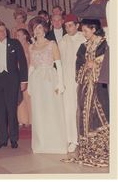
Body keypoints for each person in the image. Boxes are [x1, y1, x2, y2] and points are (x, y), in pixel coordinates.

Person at [65, 19, 109, 167]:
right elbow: (78, 65)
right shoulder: (83, 47)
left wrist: (96, 63)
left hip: (101, 87)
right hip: (85, 87)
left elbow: (110, 62)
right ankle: (88, 150)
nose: (83, 34)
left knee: (101, 114)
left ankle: (104, 150)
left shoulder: (105, 44)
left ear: (94, 29)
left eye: (85, 30)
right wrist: (87, 66)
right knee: (84, 113)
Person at [28, 16, 67, 154]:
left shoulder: (52, 44)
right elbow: (31, 66)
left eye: (39, 27)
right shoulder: (31, 47)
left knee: (52, 110)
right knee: (39, 112)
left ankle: (56, 143)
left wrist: (61, 84)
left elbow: (59, 64)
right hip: (37, 81)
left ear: (44, 28)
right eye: (34, 28)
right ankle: (41, 144)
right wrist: (29, 86)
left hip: (51, 79)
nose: (37, 30)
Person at [0, 21, 28, 149]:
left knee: (11, 110)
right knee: (0, 111)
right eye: (0, 30)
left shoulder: (14, 43)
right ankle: (2, 140)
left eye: (4, 30)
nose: (3, 32)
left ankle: (14, 139)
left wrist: (23, 81)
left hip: (12, 80)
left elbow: (22, 62)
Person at [58, 14, 85, 153]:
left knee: (81, 109)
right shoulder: (63, 40)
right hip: (67, 80)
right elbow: (60, 62)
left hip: (81, 79)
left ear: (77, 25)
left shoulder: (83, 38)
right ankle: (72, 139)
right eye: (66, 26)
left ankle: (83, 138)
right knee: (68, 109)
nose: (68, 28)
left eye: (70, 25)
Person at [16, 28, 32, 126]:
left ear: (25, 36)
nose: (16, 37)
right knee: (20, 98)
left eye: (18, 35)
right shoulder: (16, 47)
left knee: (28, 97)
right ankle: (22, 119)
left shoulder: (30, 47)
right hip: (18, 75)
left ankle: (30, 120)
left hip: (28, 74)